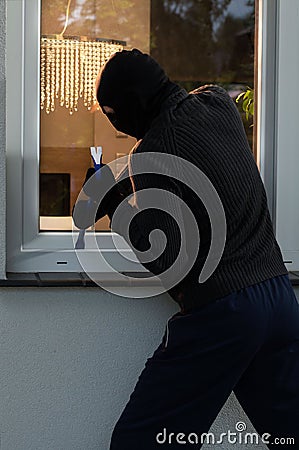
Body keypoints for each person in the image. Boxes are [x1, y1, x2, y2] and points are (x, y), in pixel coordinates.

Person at [73, 49, 299, 449]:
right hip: (280, 299)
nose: (116, 123)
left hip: (225, 312)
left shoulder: (152, 153)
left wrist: (114, 199)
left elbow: (170, 258)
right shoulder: (216, 103)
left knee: (141, 440)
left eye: (113, 112)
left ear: (131, 105)